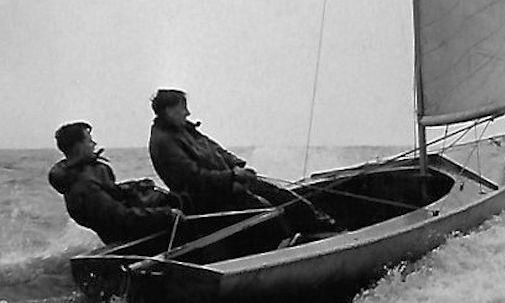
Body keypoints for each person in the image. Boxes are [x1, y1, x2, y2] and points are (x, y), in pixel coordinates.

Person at [148, 89, 337, 234]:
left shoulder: (185, 130)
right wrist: (230, 177)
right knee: (267, 215)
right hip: (208, 198)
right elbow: (192, 177)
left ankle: (324, 228)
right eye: (182, 108)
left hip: (229, 185)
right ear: (169, 110)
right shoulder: (163, 141)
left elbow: (217, 150)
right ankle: (290, 242)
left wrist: (237, 166)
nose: (187, 113)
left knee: (282, 196)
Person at [48, 122, 182, 245]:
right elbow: (120, 217)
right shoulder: (84, 187)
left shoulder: (84, 172)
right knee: (179, 211)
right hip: (128, 236)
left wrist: (134, 187)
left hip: (129, 224)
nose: (94, 144)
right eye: (89, 141)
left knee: (175, 199)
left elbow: (111, 192)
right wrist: (165, 215)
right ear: (78, 147)